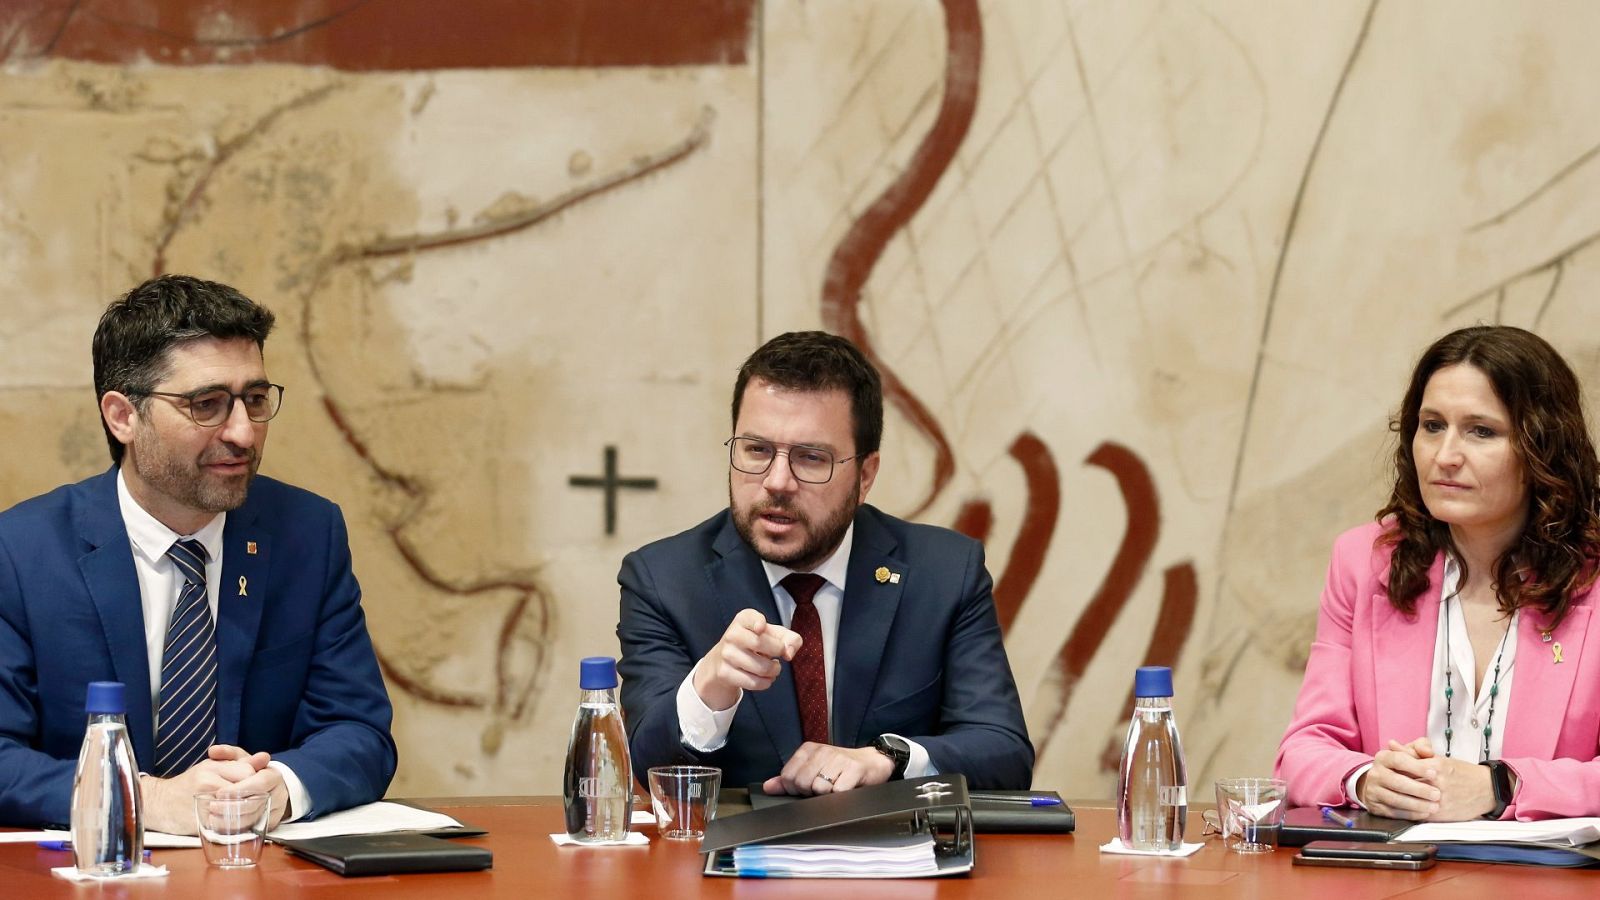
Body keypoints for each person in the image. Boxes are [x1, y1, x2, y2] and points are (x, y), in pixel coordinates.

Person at [0, 275, 396, 832]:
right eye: (206, 405)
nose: (243, 432)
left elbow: (359, 730)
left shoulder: (307, 532)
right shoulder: (21, 552)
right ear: (123, 417)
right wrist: (146, 800)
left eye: (255, 400)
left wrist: (279, 786)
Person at [617, 331, 1032, 796]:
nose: (777, 482)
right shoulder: (664, 580)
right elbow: (647, 764)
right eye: (756, 450)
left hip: (899, 861)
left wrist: (887, 759)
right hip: (733, 863)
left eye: (811, 458)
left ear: (866, 475)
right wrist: (708, 689)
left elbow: (1003, 751)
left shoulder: (945, 572)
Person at [1276, 325, 1600, 821]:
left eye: (1481, 431)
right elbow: (1302, 750)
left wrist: (1501, 786)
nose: (1445, 456)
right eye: (1432, 425)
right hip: (1396, 878)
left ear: (1542, 448)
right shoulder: (1365, 562)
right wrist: (1364, 780)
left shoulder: (1591, 578)